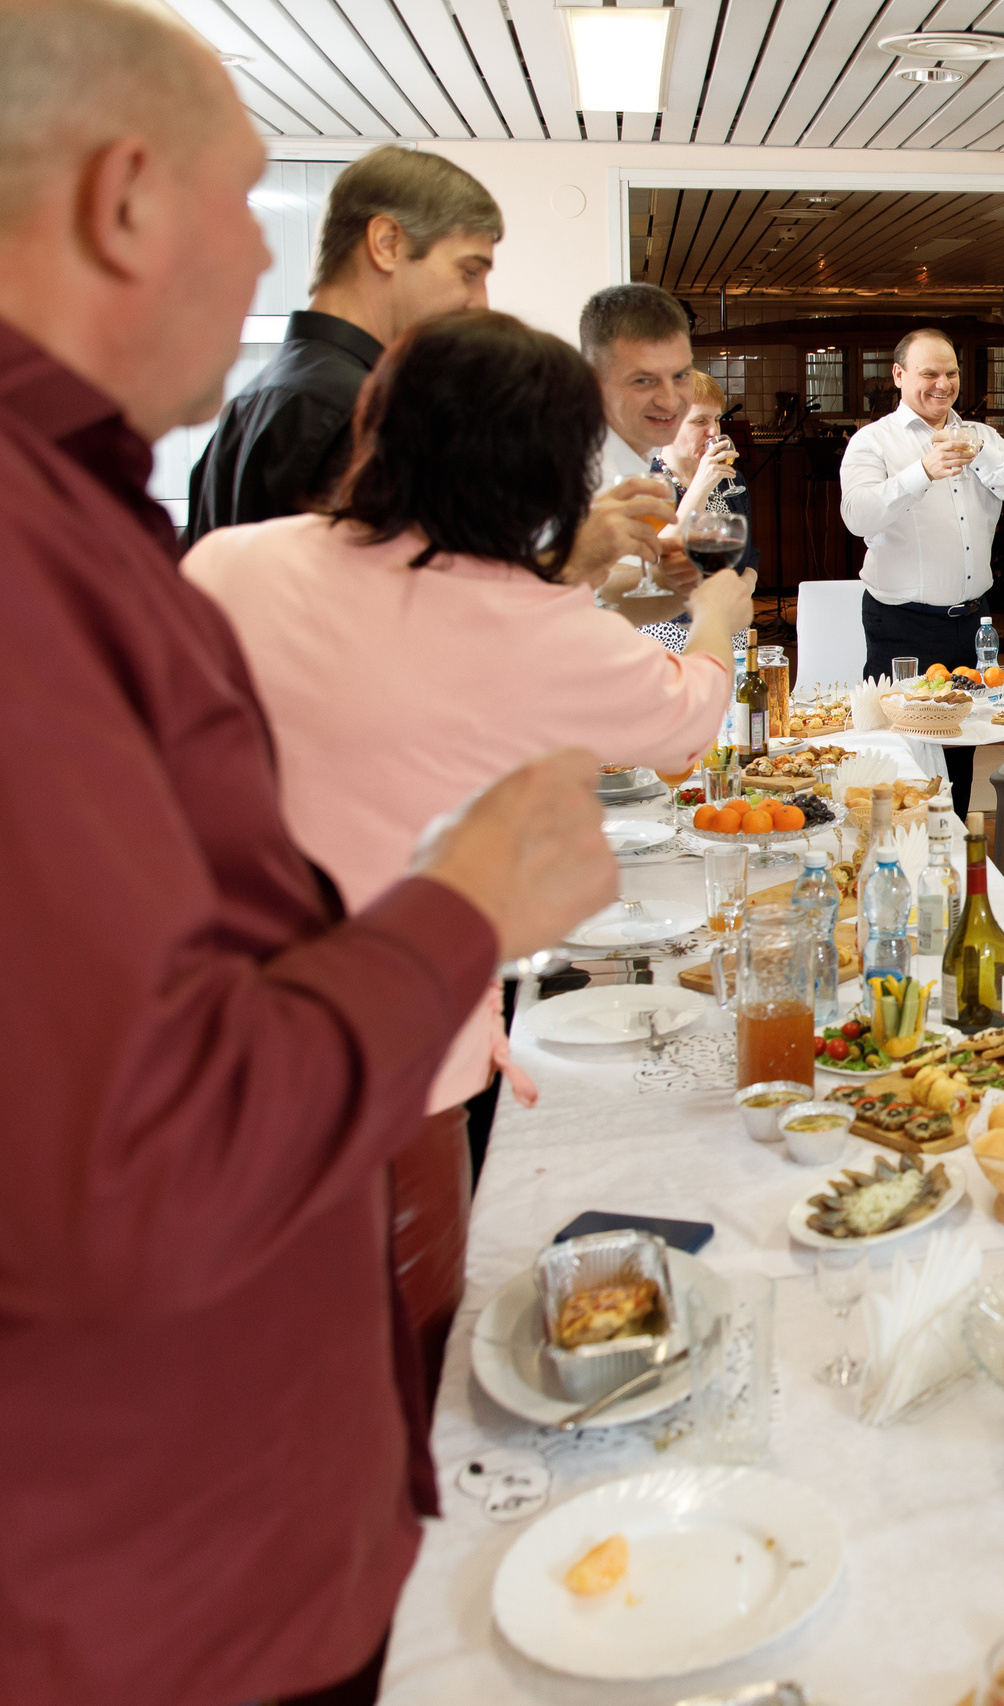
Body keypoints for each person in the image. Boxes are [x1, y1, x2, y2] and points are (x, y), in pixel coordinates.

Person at [0, 6, 616, 1703]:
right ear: (127, 199)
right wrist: (466, 902)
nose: (265, 262)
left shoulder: (89, 506)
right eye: (247, 196)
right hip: (148, 1584)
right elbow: (136, 1151)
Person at [184, 309, 746, 1399]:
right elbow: (685, 720)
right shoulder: (524, 619)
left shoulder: (229, 563)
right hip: (397, 1049)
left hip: (206, 1041)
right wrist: (717, 611)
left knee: (245, 1365)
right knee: (398, 1367)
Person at [182, 144, 501, 544]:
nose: (480, 303)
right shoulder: (363, 413)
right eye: (469, 272)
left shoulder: (250, 403)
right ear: (387, 243)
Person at [840, 327, 1004, 816]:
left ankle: (951, 868)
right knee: (902, 757)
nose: (942, 383)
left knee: (962, 749)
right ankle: (895, 869)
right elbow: (858, 517)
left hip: (974, 625)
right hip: (901, 625)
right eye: (929, 373)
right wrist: (921, 473)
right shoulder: (873, 442)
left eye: (950, 373)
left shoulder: (984, 438)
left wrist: (987, 455)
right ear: (899, 375)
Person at [579, 280, 703, 629]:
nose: (670, 399)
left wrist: (674, 584)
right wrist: (712, 613)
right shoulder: (581, 465)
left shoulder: (640, 453)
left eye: (681, 375)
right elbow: (594, 596)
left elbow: (616, 601)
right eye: (643, 381)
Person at [638, 367, 757, 653]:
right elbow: (656, 556)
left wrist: (744, 587)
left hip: (729, 629)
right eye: (700, 421)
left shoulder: (731, 479)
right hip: (668, 635)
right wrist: (700, 487)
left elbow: (749, 552)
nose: (714, 431)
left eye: (717, 419)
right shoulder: (646, 484)